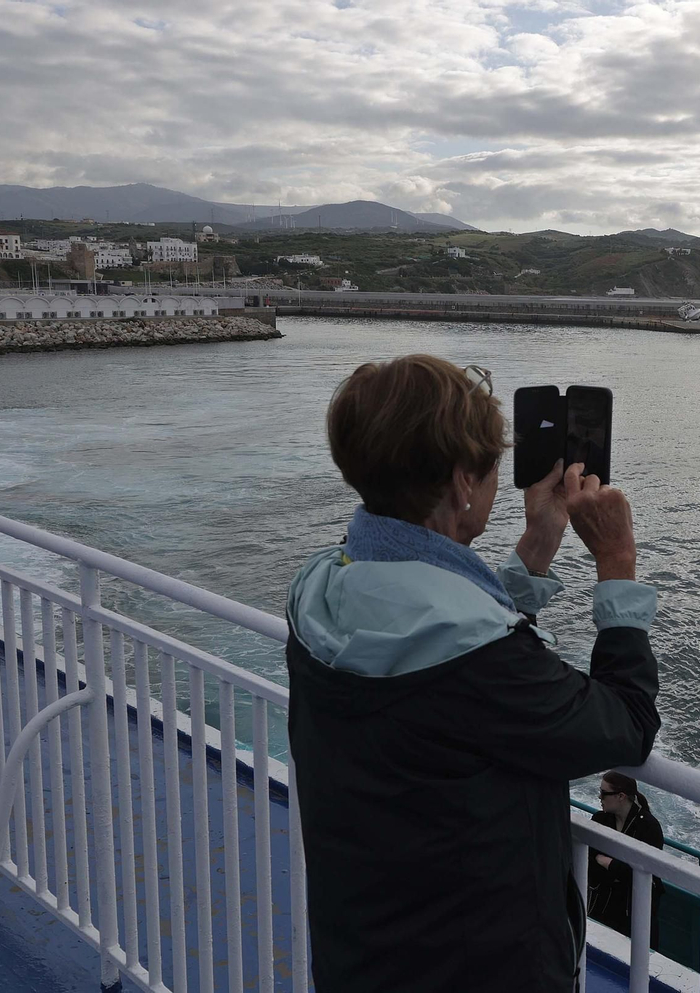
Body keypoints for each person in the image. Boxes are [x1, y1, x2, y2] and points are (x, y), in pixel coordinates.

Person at [285, 355, 661, 992]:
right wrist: (617, 566)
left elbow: (434, 625)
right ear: (463, 481)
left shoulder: (320, 594)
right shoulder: (481, 665)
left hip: (362, 955)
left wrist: (537, 544)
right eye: (489, 469)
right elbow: (625, 725)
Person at [587, 770, 666, 947]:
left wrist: (608, 863)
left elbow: (647, 872)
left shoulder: (648, 827)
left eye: (604, 793)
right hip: (604, 904)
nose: (600, 797)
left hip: (635, 910)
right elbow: (589, 857)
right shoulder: (600, 819)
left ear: (621, 796)